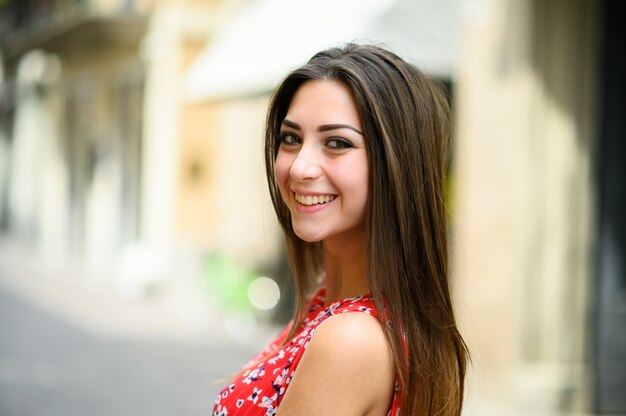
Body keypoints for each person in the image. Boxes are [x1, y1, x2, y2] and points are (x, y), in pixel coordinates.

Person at [212, 43, 468, 416]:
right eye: (291, 138)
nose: (300, 167)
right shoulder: (330, 308)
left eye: (337, 143)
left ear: (396, 165)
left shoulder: (350, 339)